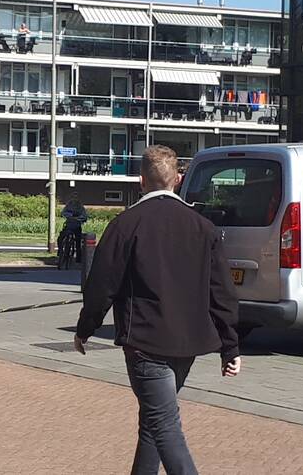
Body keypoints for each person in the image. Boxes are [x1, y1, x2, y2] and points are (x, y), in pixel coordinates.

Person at [74, 145, 240, 475]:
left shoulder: (126, 224)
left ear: (141, 181)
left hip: (146, 343)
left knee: (163, 425)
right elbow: (221, 291)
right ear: (177, 180)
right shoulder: (203, 227)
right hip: (188, 343)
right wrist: (230, 346)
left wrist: (85, 329)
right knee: (154, 421)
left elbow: (101, 285)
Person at [58, 193, 88, 259]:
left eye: (76, 197)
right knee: (61, 238)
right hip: (69, 225)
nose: (75, 199)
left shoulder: (80, 207)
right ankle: (60, 252)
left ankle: (78, 257)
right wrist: (70, 215)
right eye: (73, 197)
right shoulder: (68, 205)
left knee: (78, 241)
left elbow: (85, 216)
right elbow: (63, 212)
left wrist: (79, 218)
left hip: (76, 226)